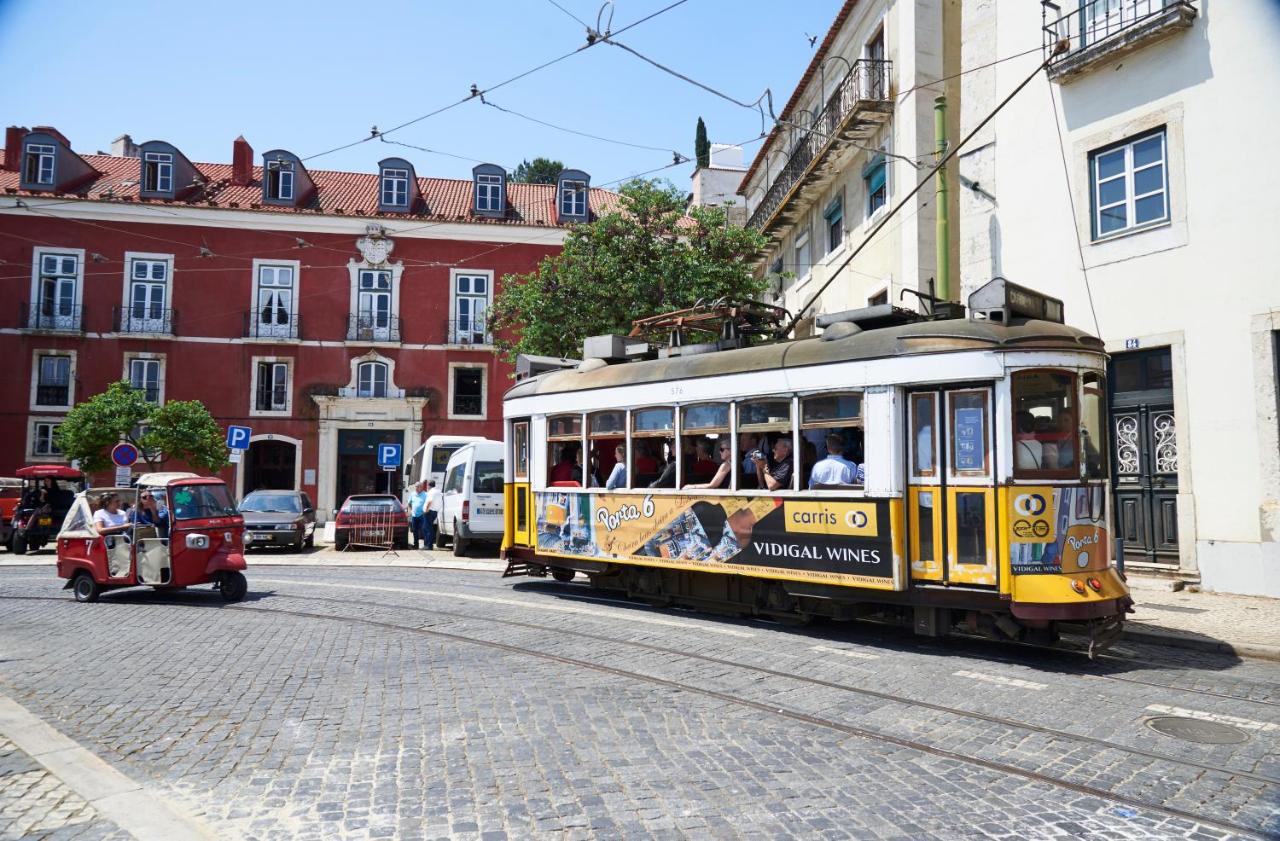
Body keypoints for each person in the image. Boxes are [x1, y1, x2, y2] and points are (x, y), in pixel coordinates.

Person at [409, 481, 428, 549]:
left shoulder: (425, 494)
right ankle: (416, 544)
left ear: (421, 487)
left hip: (422, 515)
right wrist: (411, 511)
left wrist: (425, 511)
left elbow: (428, 504)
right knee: (415, 530)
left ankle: (426, 545)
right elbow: (409, 503)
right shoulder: (412, 494)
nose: (416, 488)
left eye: (418, 486)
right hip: (414, 515)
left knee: (423, 530)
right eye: (416, 486)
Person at [422, 480, 441, 548]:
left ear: (429, 485)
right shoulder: (438, 491)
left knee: (426, 528)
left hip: (429, 512)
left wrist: (426, 510)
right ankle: (429, 544)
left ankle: (428, 545)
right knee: (429, 528)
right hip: (435, 511)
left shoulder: (431, 492)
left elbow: (429, 501)